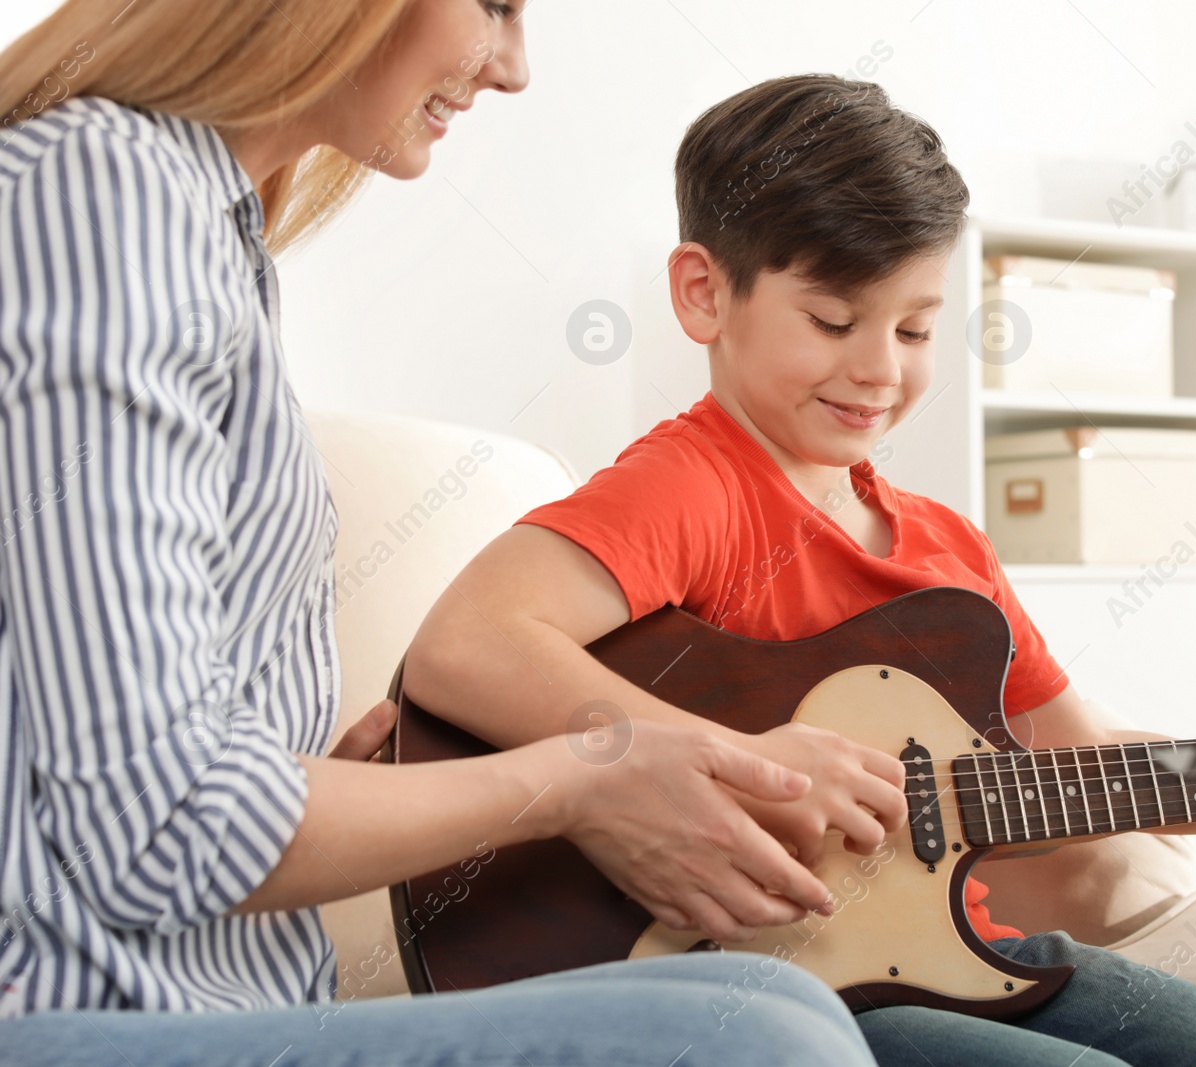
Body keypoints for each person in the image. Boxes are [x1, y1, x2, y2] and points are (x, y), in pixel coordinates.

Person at [404, 73, 1196, 1066]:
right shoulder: (693, 486)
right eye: (833, 317)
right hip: (752, 978)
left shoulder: (947, 551)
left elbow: (1081, 766)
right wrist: (731, 762)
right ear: (705, 292)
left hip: (953, 949)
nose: (877, 369)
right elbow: (467, 644)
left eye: (912, 328)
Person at [0, 4, 885, 1065]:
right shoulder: (103, 196)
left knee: (774, 1007)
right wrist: (578, 780)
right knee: (763, 1045)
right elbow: (157, 828)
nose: (512, 69)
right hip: (69, 1014)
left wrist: (337, 789)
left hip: (221, 990)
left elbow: (114, 758)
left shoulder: (207, 230)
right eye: (496, 5)